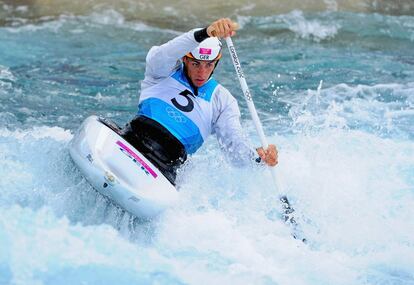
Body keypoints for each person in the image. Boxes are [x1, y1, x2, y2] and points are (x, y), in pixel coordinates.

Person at [122, 18, 278, 184]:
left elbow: (235, 154)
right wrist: (205, 33)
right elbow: (168, 51)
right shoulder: (161, 71)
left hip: (167, 167)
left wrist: (260, 158)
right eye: (196, 64)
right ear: (185, 59)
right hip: (131, 140)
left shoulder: (223, 101)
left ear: (216, 63)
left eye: (209, 65)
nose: (202, 73)